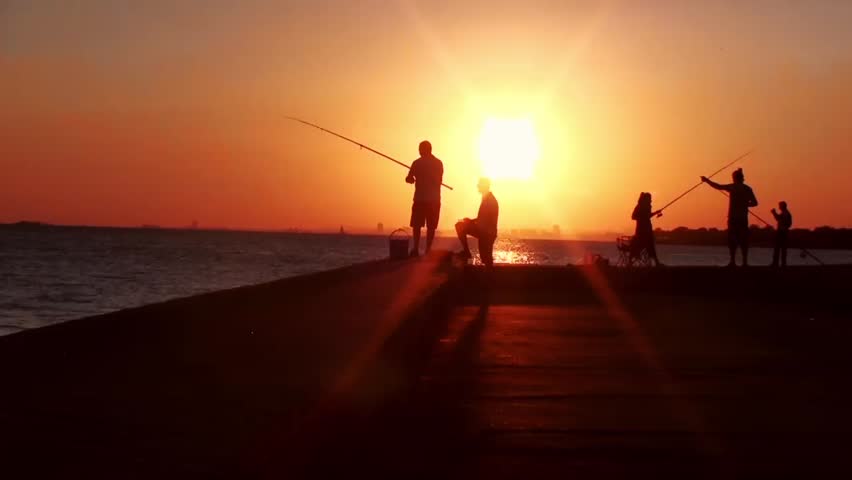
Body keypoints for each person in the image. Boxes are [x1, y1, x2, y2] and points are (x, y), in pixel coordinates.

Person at [701, 168, 758, 267]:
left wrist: (707, 181)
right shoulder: (747, 188)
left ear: (734, 178)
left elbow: (717, 186)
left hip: (733, 218)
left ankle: (733, 261)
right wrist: (746, 204)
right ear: (742, 178)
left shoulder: (732, 187)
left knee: (732, 240)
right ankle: (744, 262)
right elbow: (755, 203)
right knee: (743, 240)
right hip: (743, 218)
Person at [405, 140, 444, 256]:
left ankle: (416, 249)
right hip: (434, 200)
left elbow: (409, 179)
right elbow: (439, 180)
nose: (418, 151)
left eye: (419, 149)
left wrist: (412, 179)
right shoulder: (438, 163)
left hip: (420, 199)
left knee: (417, 225)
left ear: (423, 149)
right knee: (431, 226)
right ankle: (428, 250)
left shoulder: (417, 163)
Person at [455, 178, 499, 267]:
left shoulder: (489, 200)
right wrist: (470, 221)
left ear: (484, 186)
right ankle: (467, 252)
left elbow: (484, 219)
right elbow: (482, 218)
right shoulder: (486, 198)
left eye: (479, 185)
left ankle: (490, 277)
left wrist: (470, 222)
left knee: (486, 259)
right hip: (485, 232)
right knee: (460, 226)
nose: (477, 187)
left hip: (487, 233)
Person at [631, 192, 663, 266]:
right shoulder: (639, 206)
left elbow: (648, 216)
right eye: (649, 199)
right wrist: (643, 216)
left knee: (650, 246)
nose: (651, 200)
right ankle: (656, 263)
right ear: (646, 199)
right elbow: (633, 216)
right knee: (647, 246)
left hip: (647, 229)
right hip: (641, 230)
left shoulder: (647, 206)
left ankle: (656, 262)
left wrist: (656, 212)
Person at [770, 201, 793, 267]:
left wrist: (774, 213)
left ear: (783, 206)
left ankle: (776, 263)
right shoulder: (785, 213)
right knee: (782, 249)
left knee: (778, 248)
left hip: (782, 233)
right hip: (783, 232)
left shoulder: (785, 213)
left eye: (780, 205)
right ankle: (782, 264)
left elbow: (778, 219)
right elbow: (780, 219)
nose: (779, 207)